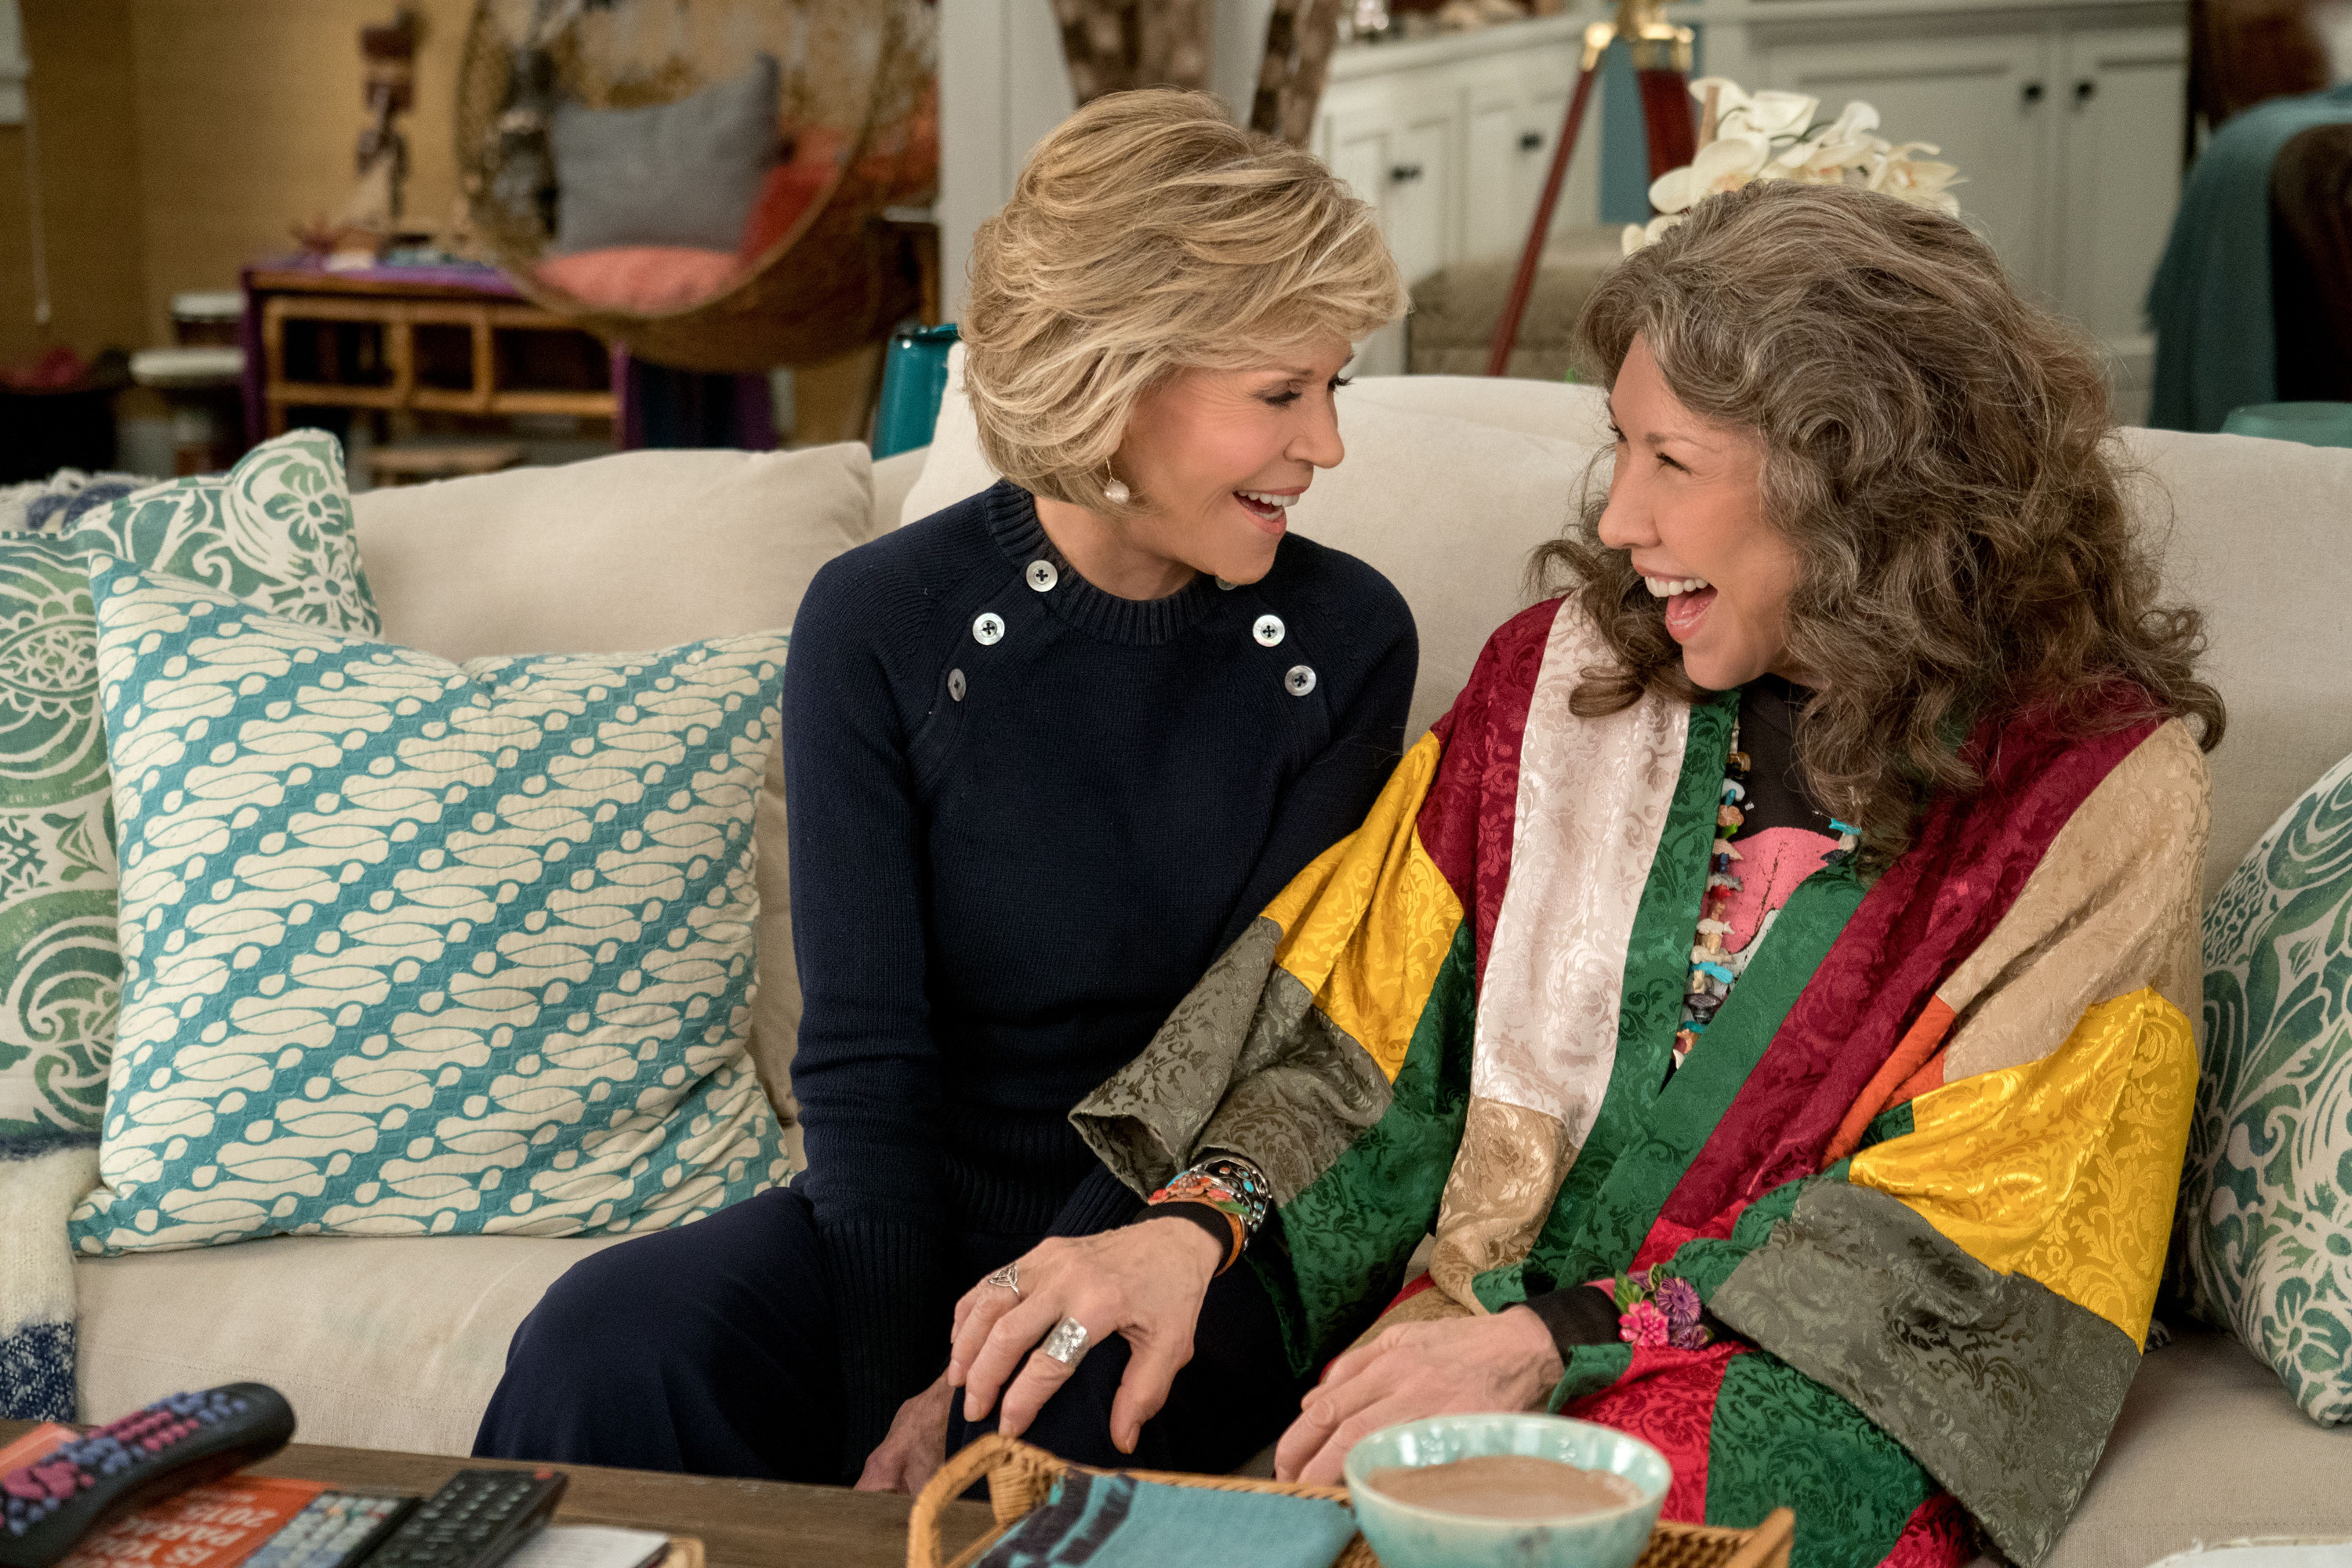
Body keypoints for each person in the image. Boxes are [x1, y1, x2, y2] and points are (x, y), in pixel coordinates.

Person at [953, 180, 2222, 1568]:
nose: (1619, 518)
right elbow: (1368, 1053)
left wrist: (1556, 1343)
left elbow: (1960, 1246)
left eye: (1671, 463)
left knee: (1579, 1522)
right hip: (1471, 1310)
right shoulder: (1557, 683)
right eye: (1618, 448)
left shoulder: (2099, 792)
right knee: (1060, 1391)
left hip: (1803, 1368)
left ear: (1854, 479)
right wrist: (1196, 1230)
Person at [471, 89, 1416, 1490]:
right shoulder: (881, 624)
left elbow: (1239, 1051)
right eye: (1282, 394)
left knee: (1061, 1435)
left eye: (1333, 387)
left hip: (1169, 1241)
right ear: (1118, 374)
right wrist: (888, 1397)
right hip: (905, 1221)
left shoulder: (1344, 644)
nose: (1326, 445)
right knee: (607, 1339)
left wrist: (998, 1372)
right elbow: (862, 1059)